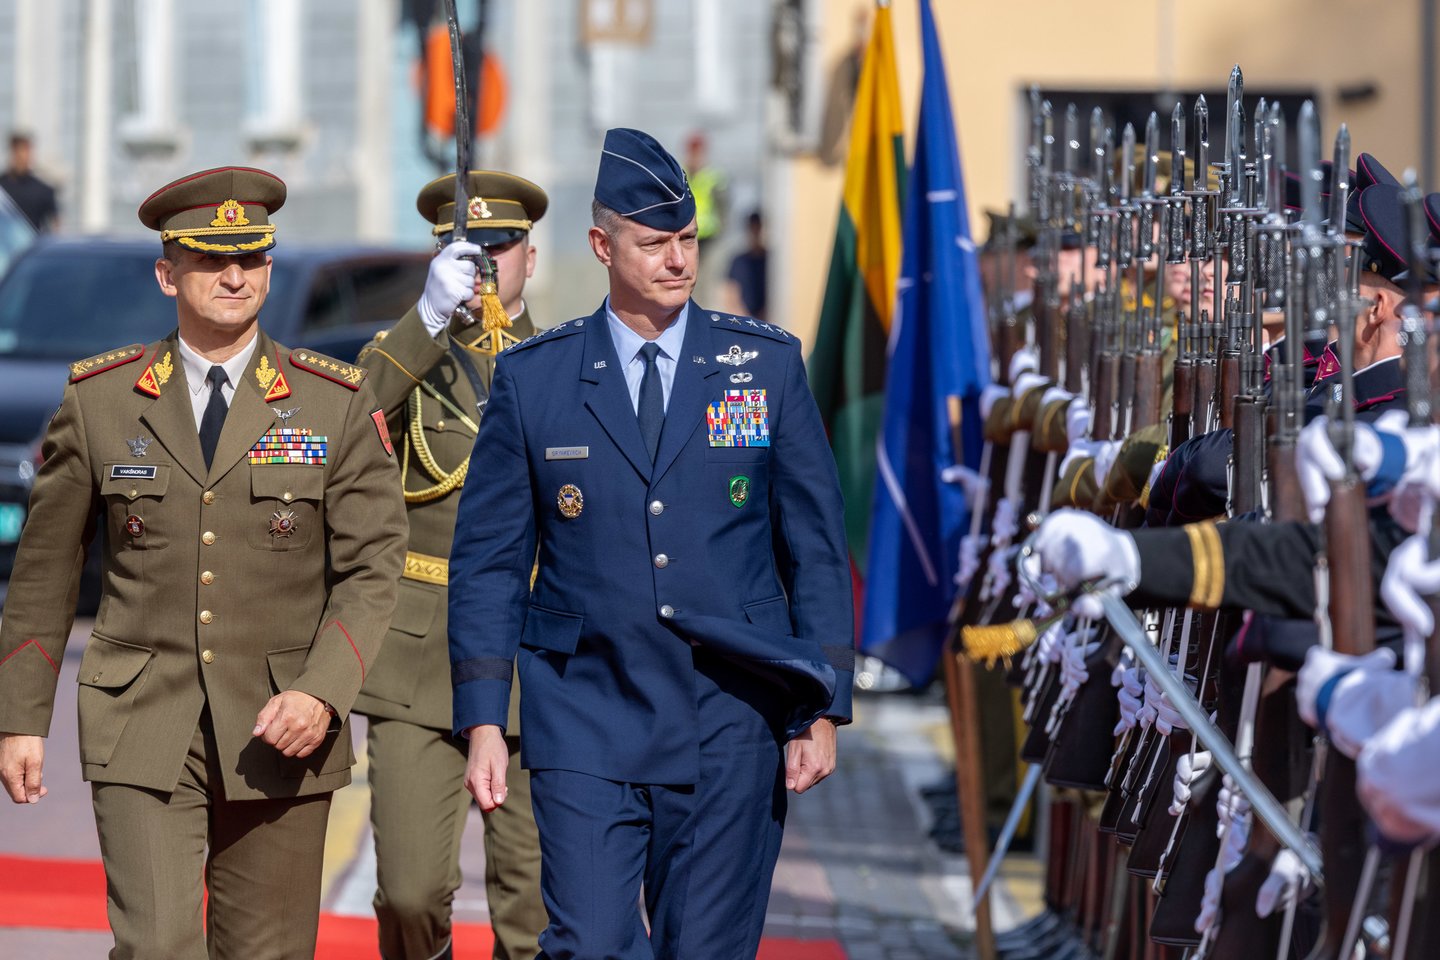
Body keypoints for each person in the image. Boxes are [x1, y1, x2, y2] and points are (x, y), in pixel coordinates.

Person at [448, 128, 853, 957]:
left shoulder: (764, 367)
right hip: (586, 709)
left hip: (730, 710)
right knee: (589, 943)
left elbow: (814, 545)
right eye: (653, 243)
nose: (677, 260)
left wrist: (822, 703)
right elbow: (488, 562)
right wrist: (485, 718)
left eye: (688, 240)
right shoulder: (537, 379)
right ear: (602, 247)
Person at [0, 166, 408, 959]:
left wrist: (322, 693)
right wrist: (21, 718)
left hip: (281, 725)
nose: (234, 276)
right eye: (211, 260)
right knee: (154, 945)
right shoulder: (101, 399)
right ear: (168, 274)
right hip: (140, 716)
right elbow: (45, 570)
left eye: (251, 259)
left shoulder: (333, 401)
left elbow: (372, 566)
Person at [355, 170, 547, 960]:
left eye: (502, 247)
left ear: (530, 256)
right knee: (409, 892)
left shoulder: (567, 361)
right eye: (469, 248)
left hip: (535, 654)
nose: (486, 263)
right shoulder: (404, 356)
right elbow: (343, 428)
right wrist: (427, 319)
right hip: (420, 656)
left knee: (534, 908)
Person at [0, 131, 58, 232]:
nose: (21, 156)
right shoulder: (2, 188)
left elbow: (55, 227)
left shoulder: (44, 191)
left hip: (33, 241)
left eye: (25, 151)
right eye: (17, 151)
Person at [724, 209, 768, 321]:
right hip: (744, 320)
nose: (755, 233)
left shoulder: (770, 260)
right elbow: (730, 294)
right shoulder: (739, 261)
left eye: (757, 228)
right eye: (752, 228)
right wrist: (745, 319)